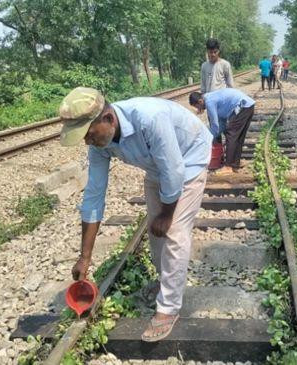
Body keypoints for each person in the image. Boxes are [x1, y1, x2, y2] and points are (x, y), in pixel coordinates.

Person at [61, 87, 212, 342]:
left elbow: (174, 172)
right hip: (158, 167)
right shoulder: (100, 143)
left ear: (108, 119)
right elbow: (94, 195)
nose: (87, 141)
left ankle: (169, 308)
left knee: (173, 230)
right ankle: (166, 281)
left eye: (88, 134)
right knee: (156, 231)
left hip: (189, 159)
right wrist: (84, 257)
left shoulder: (149, 118)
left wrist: (167, 214)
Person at [189, 88, 255, 174]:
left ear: (200, 101)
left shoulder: (209, 102)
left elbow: (215, 126)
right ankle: (235, 163)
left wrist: (207, 138)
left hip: (243, 106)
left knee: (231, 134)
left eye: (197, 106)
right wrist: (213, 135)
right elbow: (222, 124)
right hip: (248, 106)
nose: (198, 109)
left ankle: (228, 166)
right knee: (237, 136)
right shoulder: (211, 98)